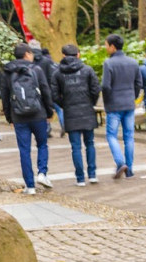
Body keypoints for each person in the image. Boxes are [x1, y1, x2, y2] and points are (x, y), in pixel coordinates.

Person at [1, 42, 54, 195]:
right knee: (42, 145)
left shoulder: (7, 73)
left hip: (19, 117)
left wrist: (10, 118)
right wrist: (49, 112)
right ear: (27, 54)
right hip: (38, 114)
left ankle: (30, 186)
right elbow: (45, 91)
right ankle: (42, 173)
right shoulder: (36, 69)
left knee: (24, 150)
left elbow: (5, 97)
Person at [51, 43, 101, 186]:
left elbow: (54, 95)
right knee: (90, 143)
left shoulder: (57, 73)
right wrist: (90, 102)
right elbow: (96, 89)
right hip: (87, 111)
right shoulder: (87, 70)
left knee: (75, 147)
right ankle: (92, 174)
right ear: (78, 54)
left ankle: (80, 178)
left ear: (63, 56)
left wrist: (64, 104)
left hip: (70, 113)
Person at [101, 33, 142, 179]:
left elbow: (105, 86)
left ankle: (120, 162)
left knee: (112, 135)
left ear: (112, 46)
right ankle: (129, 169)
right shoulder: (133, 62)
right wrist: (133, 97)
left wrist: (107, 101)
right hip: (129, 104)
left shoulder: (109, 63)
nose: (105, 48)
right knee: (129, 137)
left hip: (114, 105)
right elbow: (138, 84)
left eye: (106, 45)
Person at [29, 40, 63, 136]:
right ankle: (63, 125)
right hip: (49, 89)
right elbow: (53, 75)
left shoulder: (30, 62)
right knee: (58, 109)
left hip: (35, 90)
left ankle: (46, 129)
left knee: (42, 110)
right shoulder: (47, 61)